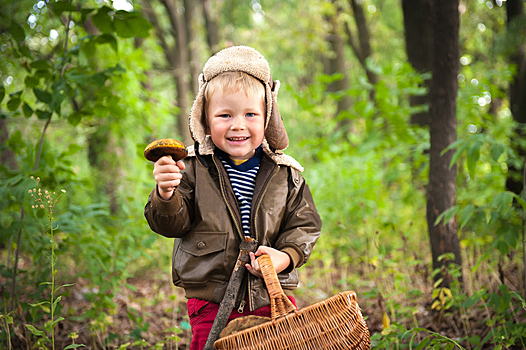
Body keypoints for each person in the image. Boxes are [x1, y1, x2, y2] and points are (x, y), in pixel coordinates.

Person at [144, 45, 321, 350]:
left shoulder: (285, 174)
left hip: (270, 293)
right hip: (210, 298)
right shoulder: (191, 168)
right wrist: (165, 192)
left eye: (250, 114)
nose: (238, 124)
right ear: (206, 119)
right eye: (225, 115)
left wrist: (286, 256)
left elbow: (304, 224)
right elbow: (171, 224)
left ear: (267, 117)